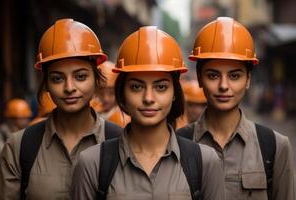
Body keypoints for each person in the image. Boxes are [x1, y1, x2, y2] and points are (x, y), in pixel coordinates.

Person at [71, 26, 225, 200]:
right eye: (136, 87)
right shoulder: (92, 164)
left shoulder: (204, 162)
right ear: (122, 94)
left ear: (174, 93)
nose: (149, 98)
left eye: (161, 87)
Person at [0, 18, 122, 200]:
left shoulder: (122, 143)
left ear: (96, 80)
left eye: (80, 76)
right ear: (46, 84)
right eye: (57, 78)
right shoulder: (20, 147)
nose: (69, 87)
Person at [177, 17, 295, 199]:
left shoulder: (275, 147)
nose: (224, 86)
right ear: (200, 78)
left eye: (234, 76)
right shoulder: (176, 144)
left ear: (248, 79)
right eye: (213, 75)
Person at [0, 98, 33, 165]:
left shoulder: (29, 130)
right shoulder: (0, 133)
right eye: (22, 118)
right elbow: (3, 155)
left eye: (27, 117)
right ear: (12, 118)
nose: (26, 121)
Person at [96, 61, 131, 127]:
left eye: (111, 93)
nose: (106, 98)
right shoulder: (94, 108)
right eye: (100, 92)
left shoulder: (123, 119)